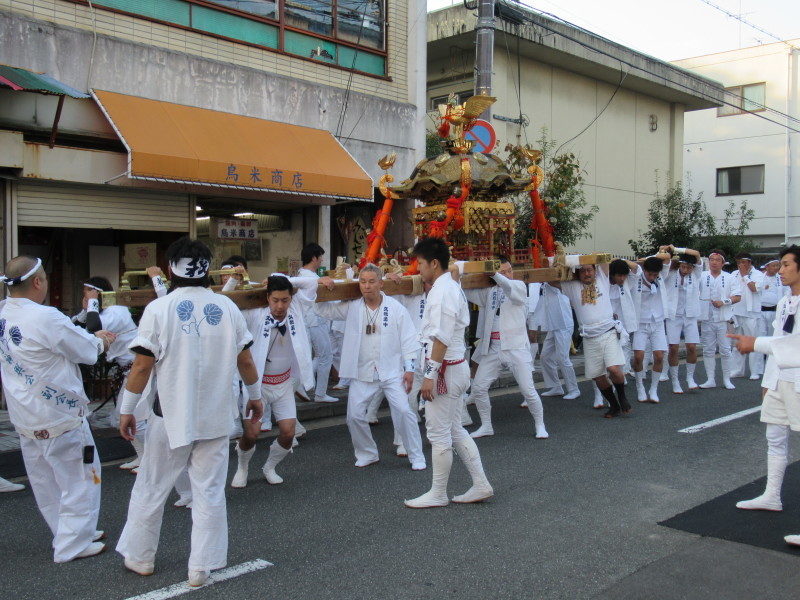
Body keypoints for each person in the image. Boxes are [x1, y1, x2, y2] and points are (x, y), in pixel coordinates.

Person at [116, 238, 262, 587]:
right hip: (214, 415)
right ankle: (201, 566)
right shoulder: (225, 307)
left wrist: (126, 409)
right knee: (209, 492)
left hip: (170, 415)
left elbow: (140, 366)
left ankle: (141, 557)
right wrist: (255, 395)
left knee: (152, 487)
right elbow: (245, 358)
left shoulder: (160, 308)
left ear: (170, 269)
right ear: (207, 269)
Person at [0, 255, 115, 562]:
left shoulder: (3, 313)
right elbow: (86, 350)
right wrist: (100, 341)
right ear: (37, 282)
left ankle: (68, 532)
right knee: (79, 476)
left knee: (45, 481)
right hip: (59, 414)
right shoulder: (45, 317)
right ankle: (72, 544)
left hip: (25, 415)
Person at [405, 238, 492, 508]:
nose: (418, 268)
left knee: (438, 433)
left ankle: (438, 492)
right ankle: (480, 483)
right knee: (453, 430)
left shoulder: (443, 290)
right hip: (454, 367)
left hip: (445, 370)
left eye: (420, 263)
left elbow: (440, 338)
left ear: (433, 263)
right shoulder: (448, 287)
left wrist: (430, 375)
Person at [314, 264, 426, 470]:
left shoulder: (395, 308)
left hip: (392, 372)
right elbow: (322, 309)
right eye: (363, 281)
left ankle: (416, 455)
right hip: (362, 372)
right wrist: (318, 285)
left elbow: (409, 341)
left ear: (381, 283)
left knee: (404, 411)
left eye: (372, 281)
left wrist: (409, 369)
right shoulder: (352, 307)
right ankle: (367, 453)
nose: (367, 286)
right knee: (354, 415)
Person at [728, 245, 800, 549]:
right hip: (781, 379)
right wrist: (769, 380)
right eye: (780, 265)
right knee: (775, 437)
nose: (780, 270)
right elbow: (781, 341)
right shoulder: (785, 301)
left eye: (785, 265)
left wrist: (754, 343)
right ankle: (771, 495)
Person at [231, 273, 329, 488]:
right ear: (267, 298)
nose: (280, 305)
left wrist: (278, 278)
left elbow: (311, 282)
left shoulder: (296, 309)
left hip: (284, 383)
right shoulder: (254, 313)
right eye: (275, 300)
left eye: (285, 300)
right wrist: (234, 282)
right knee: (251, 433)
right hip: (257, 385)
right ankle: (242, 467)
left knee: (288, 432)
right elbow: (229, 302)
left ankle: (269, 467)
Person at [462, 258, 548, 439]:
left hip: (516, 347)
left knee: (528, 389)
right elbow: (467, 291)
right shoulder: (491, 291)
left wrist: (495, 274)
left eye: (509, 270)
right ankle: (486, 426)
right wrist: (459, 271)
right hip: (493, 347)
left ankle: (540, 425)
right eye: (503, 272)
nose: (507, 274)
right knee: (478, 387)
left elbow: (509, 287)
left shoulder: (519, 286)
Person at [74, 276, 143, 469]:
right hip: (127, 370)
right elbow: (78, 329)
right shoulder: (103, 312)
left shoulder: (116, 311)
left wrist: (92, 304)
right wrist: (86, 309)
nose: (85, 296)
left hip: (137, 369)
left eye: (89, 291)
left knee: (131, 414)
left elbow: (94, 327)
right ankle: (142, 456)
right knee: (127, 413)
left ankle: (148, 459)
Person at [557, 262, 631, 418]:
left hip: (608, 332)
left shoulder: (602, 278)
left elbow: (604, 258)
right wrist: (564, 263)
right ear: (577, 273)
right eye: (582, 271)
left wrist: (581, 259)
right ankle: (614, 405)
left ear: (594, 270)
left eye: (589, 270)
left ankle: (622, 397)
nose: (587, 274)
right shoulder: (571, 286)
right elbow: (552, 280)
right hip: (589, 337)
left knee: (613, 369)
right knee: (598, 376)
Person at [297, 243, 337, 403]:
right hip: (315, 319)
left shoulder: (303, 275)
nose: (321, 260)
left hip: (307, 320)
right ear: (314, 258)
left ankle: (303, 384)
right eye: (320, 257)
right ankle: (316, 391)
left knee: (314, 356)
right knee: (325, 356)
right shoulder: (311, 278)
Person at [660, 245, 703, 394]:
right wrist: (666, 250)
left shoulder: (696, 274)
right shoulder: (670, 273)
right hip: (674, 315)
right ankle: (675, 380)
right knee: (673, 348)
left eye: (689, 268)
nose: (686, 270)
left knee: (691, 346)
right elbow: (662, 259)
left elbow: (696, 253)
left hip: (690, 315)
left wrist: (677, 248)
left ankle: (690, 378)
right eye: (684, 267)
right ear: (680, 265)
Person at [630, 254, 671, 404]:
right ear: (644, 270)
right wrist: (642, 261)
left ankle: (653, 389)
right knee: (639, 356)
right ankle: (640, 385)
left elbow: (666, 258)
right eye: (650, 273)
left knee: (659, 356)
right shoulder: (636, 278)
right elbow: (631, 265)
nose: (653, 276)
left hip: (658, 322)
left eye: (655, 274)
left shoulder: (661, 278)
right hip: (641, 323)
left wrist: (653, 258)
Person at [698, 250, 741, 389]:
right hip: (706, 318)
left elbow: (737, 296)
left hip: (723, 319)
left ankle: (727, 379)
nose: (714, 262)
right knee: (708, 349)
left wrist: (724, 302)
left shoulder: (729, 278)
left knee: (725, 349)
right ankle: (710, 379)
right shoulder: (702, 276)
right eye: (712, 259)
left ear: (723, 263)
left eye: (717, 260)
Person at [539, 283, 580, 401]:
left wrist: (544, 275)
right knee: (545, 357)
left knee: (562, 357)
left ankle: (574, 389)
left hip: (563, 322)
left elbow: (558, 283)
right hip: (552, 323)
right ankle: (555, 386)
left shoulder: (557, 276)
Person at [730, 252, 765, 380]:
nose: (740, 265)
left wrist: (745, 276)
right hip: (737, 312)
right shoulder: (734, 274)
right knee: (737, 342)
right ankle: (737, 370)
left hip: (752, 313)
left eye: (743, 262)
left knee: (753, 341)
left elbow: (755, 288)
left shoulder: (758, 274)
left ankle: (755, 370)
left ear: (749, 263)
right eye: (738, 262)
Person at [759, 258, 786, 336]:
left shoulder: (781, 278)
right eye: (773, 266)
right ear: (767, 267)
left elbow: (786, 292)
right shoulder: (760, 277)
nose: (776, 268)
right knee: (762, 334)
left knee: (773, 334)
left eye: (777, 265)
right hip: (761, 311)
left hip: (775, 311)